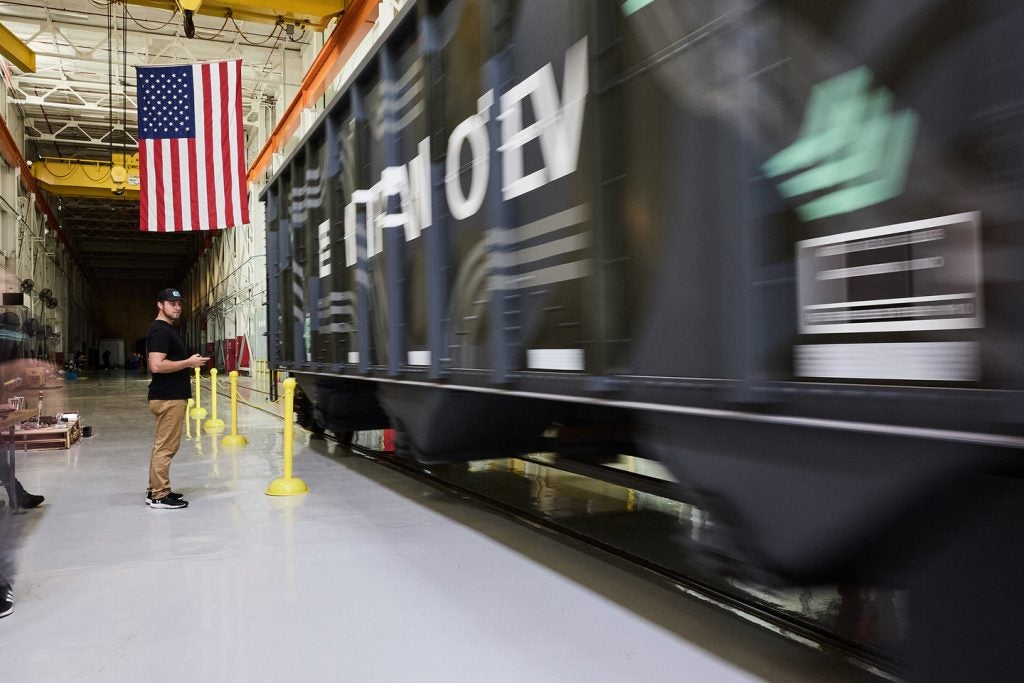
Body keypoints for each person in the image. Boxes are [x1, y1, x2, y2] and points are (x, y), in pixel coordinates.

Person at [146, 288, 208, 509]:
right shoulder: (161, 331)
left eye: (179, 303)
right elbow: (156, 365)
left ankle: (155, 490)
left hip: (168, 395)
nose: (177, 307)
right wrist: (188, 363)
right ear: (160, 305)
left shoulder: (165, 329)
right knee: (166, 448)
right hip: (169, 397)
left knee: (161, 446)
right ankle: (159, 496)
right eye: (172, 303)